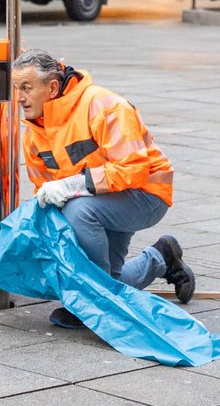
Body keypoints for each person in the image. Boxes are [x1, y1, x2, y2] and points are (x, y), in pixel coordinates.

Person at [11, 50, 196, 329]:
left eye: (26, 88)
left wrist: (75, 184)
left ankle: (94, 301)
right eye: (17, 89)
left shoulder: (103, 105)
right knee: (112, 280)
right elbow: (45, 191)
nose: (19, 97)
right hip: (101, 201)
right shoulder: (34, 132)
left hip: (146, 193)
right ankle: (162, 256)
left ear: (52, 87)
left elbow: (134, 169)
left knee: (77, 211)